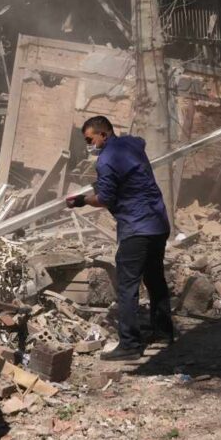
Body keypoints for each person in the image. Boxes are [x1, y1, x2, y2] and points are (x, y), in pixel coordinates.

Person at [66, 115, 174, 361]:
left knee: (126, 287)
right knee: (155, 279)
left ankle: (129, 345)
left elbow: (104, 198)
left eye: (90, 139)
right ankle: (164, 334)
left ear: (103, 134)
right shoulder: (131, 145)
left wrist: (81, 201)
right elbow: (139, 145)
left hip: (137, 228)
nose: (89, 145)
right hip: (158, 224)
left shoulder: (106, 160)